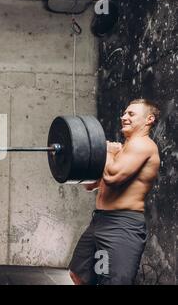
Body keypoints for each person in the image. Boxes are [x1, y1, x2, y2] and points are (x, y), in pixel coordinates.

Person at [69, 99, 160, 285]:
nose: (124, 117)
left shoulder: (142, 145)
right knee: (80, 273)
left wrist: (107, 153)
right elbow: (91, 184)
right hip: (100, 221)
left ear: (149, 119)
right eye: (124, 113)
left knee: (114, 281)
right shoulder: (123, 149)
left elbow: (112, 178)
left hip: (122, 225)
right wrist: (75, 160)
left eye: (131, 114)